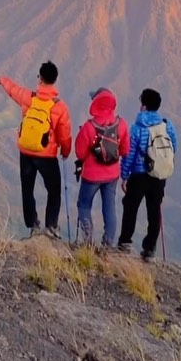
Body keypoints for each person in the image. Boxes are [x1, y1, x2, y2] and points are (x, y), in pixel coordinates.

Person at [0, 61, 72, 238]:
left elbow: (13, 90)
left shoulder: (29, 98)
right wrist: (66, 151)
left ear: (40, 78)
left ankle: (33, 225)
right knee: (54, 191)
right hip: (46, 155)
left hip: (26, 152)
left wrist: (2, 79)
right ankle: (51, 226)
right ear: (54, 80)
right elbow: (65, 134)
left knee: (27, 189)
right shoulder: (59, 106)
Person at [118, 88, 177, 262]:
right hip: (159, 174)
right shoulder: (167, 125)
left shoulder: (137, 128)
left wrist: (124, 175)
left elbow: (129, 154)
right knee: (154, 210)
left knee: (131, 207)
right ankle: (150, 249)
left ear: (143, 105)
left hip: (139, 174)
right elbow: (173, 146)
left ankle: (125, 243)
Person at [74, 88, 130, 249]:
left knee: (84, 205)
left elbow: (80, 153)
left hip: (91, 176)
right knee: (109, 207)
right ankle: (108, 245)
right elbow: (125, 150)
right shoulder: (121, 125)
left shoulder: (89, 127)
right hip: (112, 175)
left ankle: (88, 242)